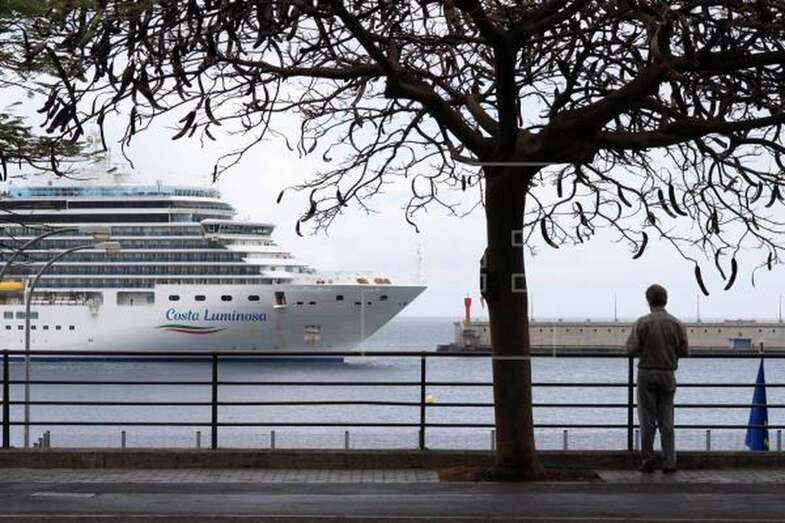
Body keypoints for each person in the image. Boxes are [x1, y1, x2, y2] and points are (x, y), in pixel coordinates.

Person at [626, 284, 689, 473]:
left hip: (646, 373)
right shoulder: (677, 324)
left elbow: (631, 349)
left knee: (647, 420)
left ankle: (648, 460)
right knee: (667, 420)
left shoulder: (642, 323)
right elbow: (685, 351)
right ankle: (670, 461)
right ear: (666, 300)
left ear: (648, 301)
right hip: (668, 373)